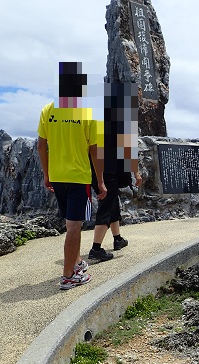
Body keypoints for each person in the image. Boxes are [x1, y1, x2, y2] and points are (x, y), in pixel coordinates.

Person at [37, 61, 107, 290]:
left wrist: (47, 175)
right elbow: (96, 150)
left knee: (71, 224)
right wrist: (101, 181)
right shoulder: (89, 113)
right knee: (74, 226)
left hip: (57, 177)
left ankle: (75, 263)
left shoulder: (48, 110)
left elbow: (41, 145)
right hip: (78, 177)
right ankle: (68, 276)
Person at [88, 82, 143, 260]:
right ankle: (96, 248)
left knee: (112, 204)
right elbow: (129, 151)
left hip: (98, 172)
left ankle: (117, 239)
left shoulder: (99, 121)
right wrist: (136, 173)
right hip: (110, 172)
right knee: (106, 207)